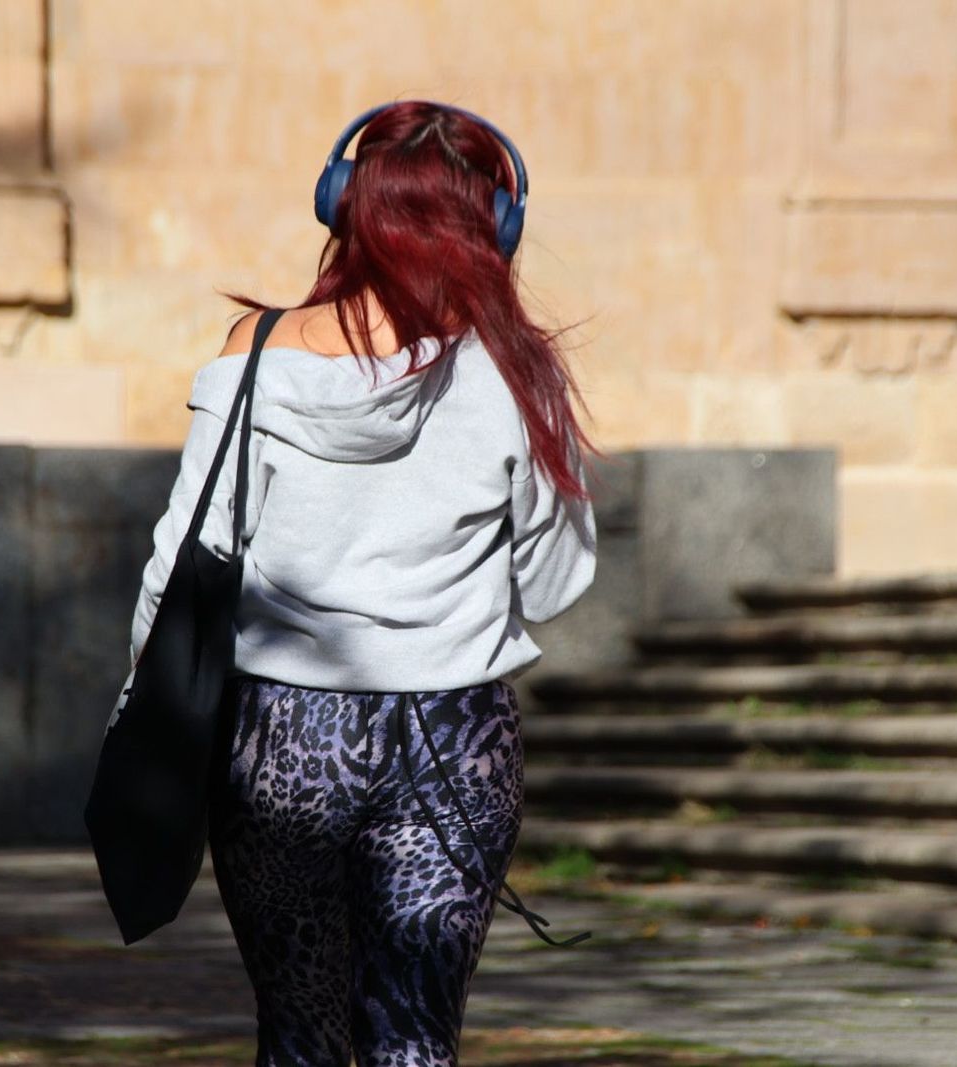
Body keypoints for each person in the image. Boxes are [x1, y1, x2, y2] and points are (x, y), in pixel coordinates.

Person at [127, 99, 602, 1067]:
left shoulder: (253, 355)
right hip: (455, 736)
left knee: (300, 1038)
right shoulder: (516, 375)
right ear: (495, 230)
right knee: (416, 1041)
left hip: (280, 740)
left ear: (340, 205)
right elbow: (552, 582)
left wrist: (149, 713)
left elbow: (178, 562)